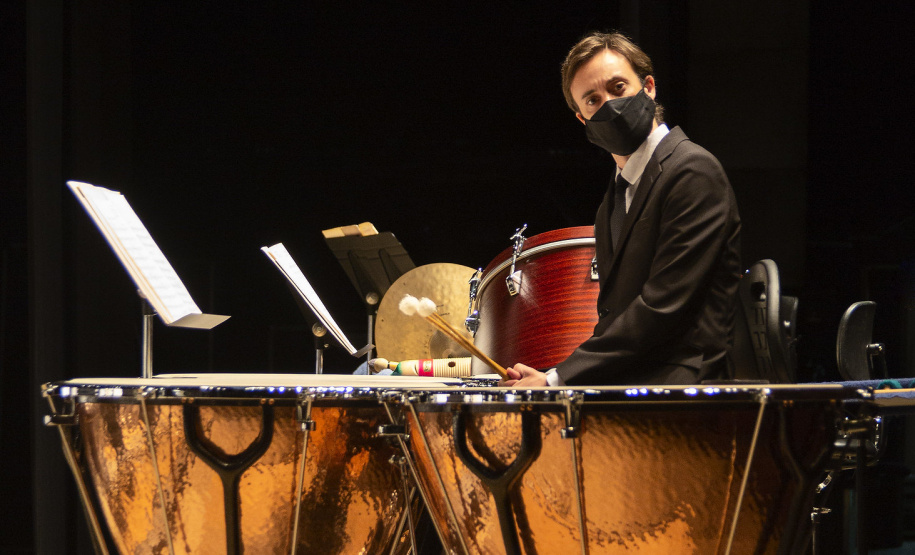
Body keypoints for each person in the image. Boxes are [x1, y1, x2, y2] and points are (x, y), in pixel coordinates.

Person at [502, 31, 741, 387]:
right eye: (593, 100)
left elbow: (662, 308)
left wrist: (557, 380)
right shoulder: (613, 198)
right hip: (637, 381)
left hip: (685, 391)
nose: (609, 105)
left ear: (648, 87)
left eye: (618, 88)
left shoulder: (692, 171)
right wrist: (554, 374)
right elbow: (615, 318)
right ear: (583, 120)